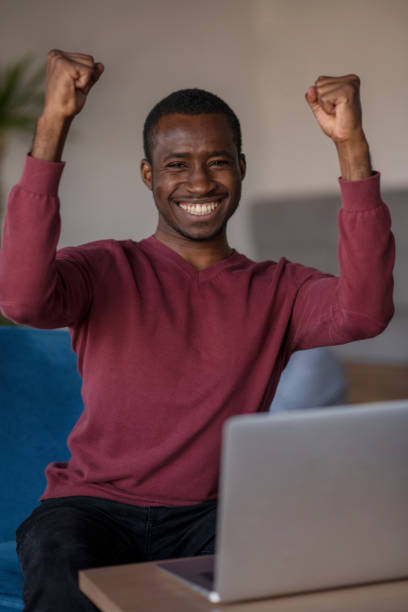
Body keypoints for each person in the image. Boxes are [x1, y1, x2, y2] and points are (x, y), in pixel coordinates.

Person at [0, 49, 394, 611]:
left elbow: (365, 310)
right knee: (60, 566)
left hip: (215, 515)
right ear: (149, 175)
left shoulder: (279, 288)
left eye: (218, 161)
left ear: (240, 168)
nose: (199, 181)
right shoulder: (102, 268)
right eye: (177, 164)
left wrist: (350, 145)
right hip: (90, 509)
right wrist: (53, 122)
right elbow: (20, 299)